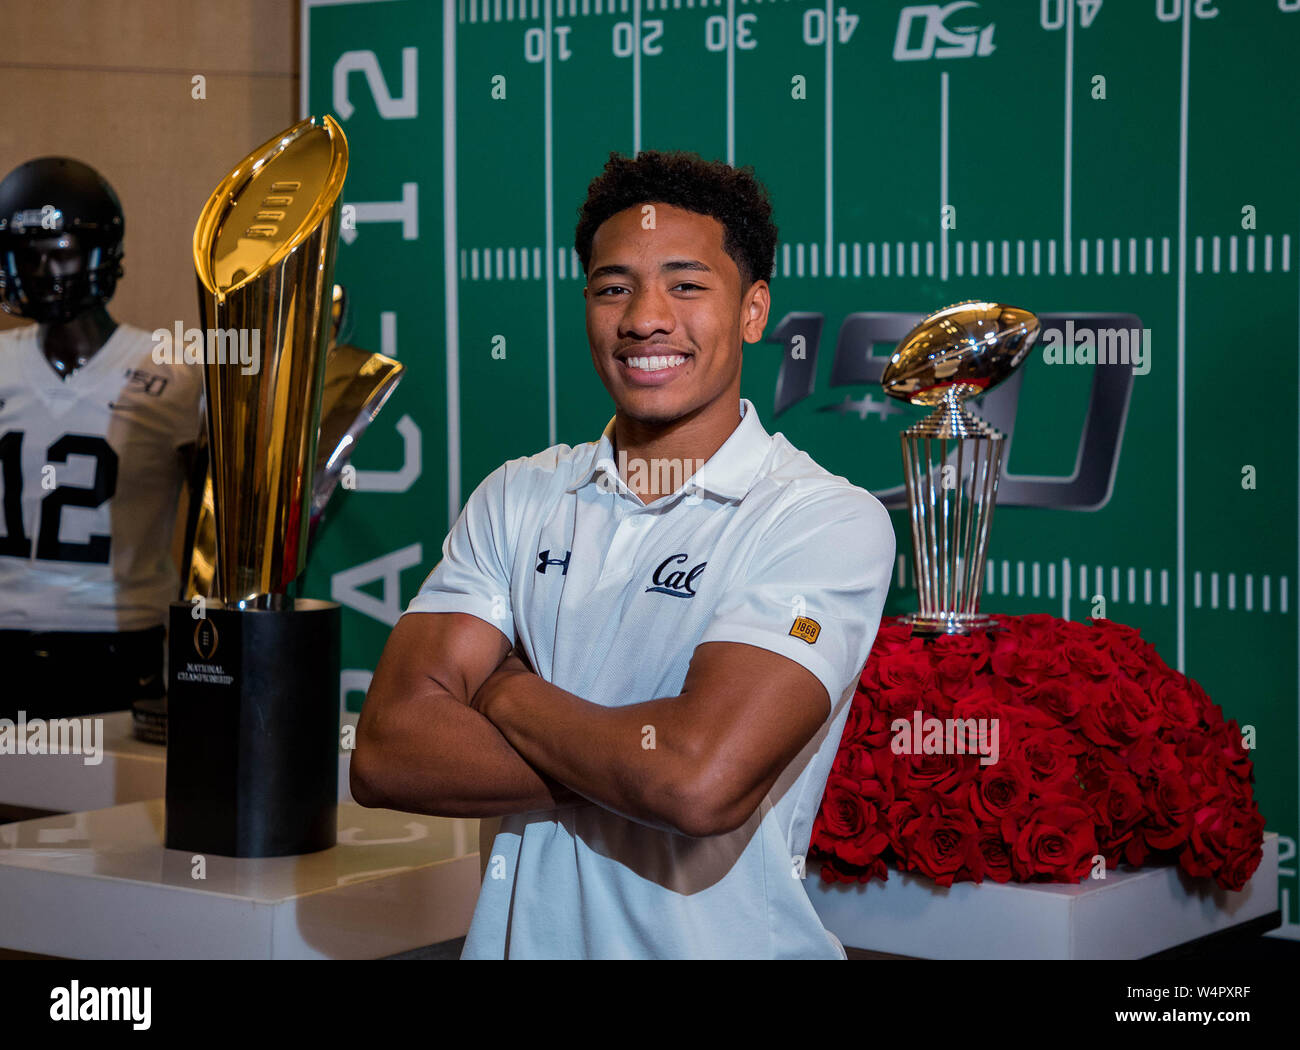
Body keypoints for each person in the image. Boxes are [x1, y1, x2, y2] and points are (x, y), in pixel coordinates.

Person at [352, 149, 895, 959]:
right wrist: (644, 756)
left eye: (686, 285)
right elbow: (389, 752)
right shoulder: (519, 494)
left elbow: (700, 782)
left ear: (753, 310)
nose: (645, 317)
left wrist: (501, 691)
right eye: (614, 287)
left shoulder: (821, 519)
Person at [0, 157, 203, 721]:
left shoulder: (175, 372)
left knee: (101, 806)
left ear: (101, 253)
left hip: (117, 639)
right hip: (4, 635)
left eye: (60, 249)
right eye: (27, 253)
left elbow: (215, 530)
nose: (43, 270)